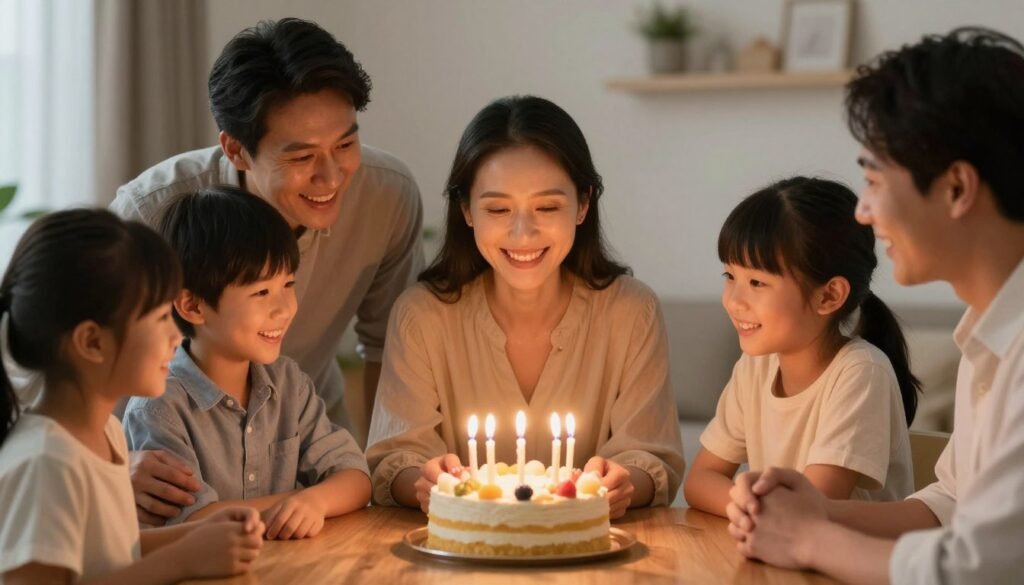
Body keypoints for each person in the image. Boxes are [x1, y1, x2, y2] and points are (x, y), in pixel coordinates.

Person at [727, 28, 1024, 585]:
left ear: (956, 188)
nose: (863, 212)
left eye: (873, 178)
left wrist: (811, 538)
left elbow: (977, 568)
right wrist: (817, 512)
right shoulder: (988, 334)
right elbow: (954, 501)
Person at [111, 17, 422, 525]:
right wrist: (108, 469)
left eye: (345, 145)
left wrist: (375, 482)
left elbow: (389, 349)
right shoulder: (149, 215)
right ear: (234, 147)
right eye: (301, 156)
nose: (330, 176)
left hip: (298, 447)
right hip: (159, 465)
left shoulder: (386, 196)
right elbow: (54, 379)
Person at [365, 95, 685, 519]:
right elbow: (396, 459)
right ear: (466, 209)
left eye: (547, 206)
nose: (523, 232)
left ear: (583, 204)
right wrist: (424, 481)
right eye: (498, 208)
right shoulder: (422, 316)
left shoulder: (631, 312)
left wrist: (625, 481)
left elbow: (650, 457)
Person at [0, 210, 264, 583]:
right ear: (92, 341)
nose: (177, 337)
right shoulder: (46, 462)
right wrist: (181, 561)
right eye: (159, 318)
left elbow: (113, 553)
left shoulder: (106, 431)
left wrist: (198, 535)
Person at [122, 187, 371, 539]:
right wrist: (302, 497)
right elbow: (197, 520)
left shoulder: (287, 382)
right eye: (261, 293)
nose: (284, 308)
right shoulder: (160, 406)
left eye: (288, 284)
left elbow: (356, 478)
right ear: (192, 306)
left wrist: (315, 502)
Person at [683, 177, 916, 518]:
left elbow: (810, 510)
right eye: (730, 276)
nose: (734, 300)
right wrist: (750, 507)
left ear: (829, 295)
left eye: (757, 282)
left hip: (849, 564)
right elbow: (699, 481)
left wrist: (747, 506)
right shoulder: (755, 367)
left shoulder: (861, 373)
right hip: (784, 550)